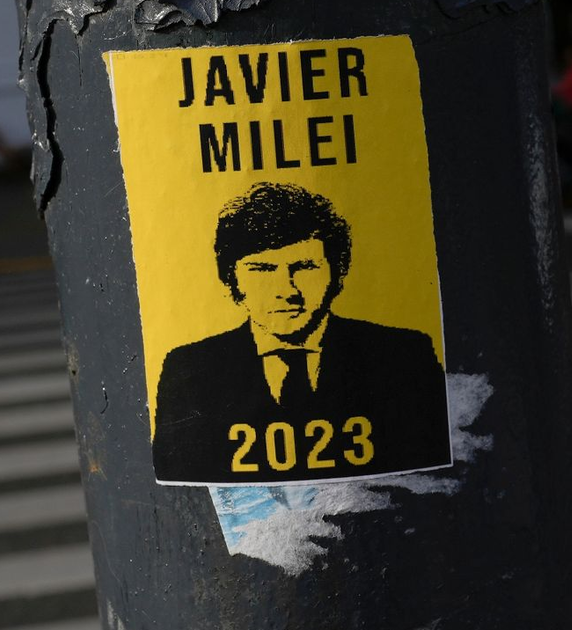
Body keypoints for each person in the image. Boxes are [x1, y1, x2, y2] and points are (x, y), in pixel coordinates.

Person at [153, 182, 450, 484]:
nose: (287, 291)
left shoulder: (404, 355)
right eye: (262, 270)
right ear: (232, 282)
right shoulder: (190, 368)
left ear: (338, 274)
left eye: (305, 267)